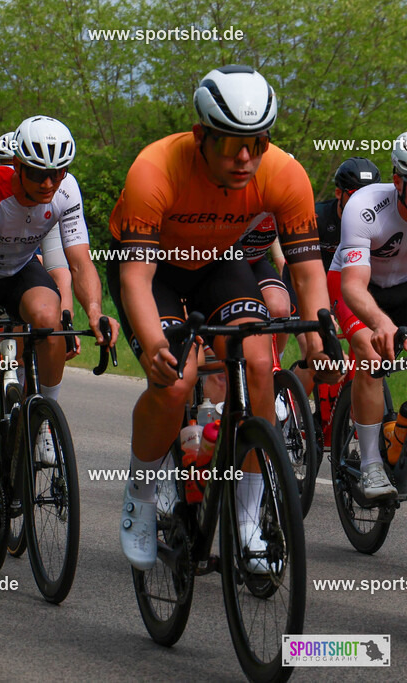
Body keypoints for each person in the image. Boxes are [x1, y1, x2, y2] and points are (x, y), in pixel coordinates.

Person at [106, 65, 336, 573]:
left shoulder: (283, 173)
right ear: (201, 135)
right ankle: (141, 492)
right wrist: (151, 344)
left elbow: (308, 269)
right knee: (175, 379)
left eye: (257, 142)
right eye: (232, 144)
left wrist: (319, 332)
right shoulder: (155, 169)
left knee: (256, 363)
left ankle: (248, 520)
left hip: (217, 260)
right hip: (154, 270)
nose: (246, 158)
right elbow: (137, 281)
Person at [0, 115, 117, 562]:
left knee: (51, 320)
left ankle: (43, 420)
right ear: (18, 165)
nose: (49, 182)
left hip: (20, 273)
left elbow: (79, 263)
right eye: (39, 173)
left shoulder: (65, 190)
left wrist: (95, 313)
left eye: (57, 173)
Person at [327, 133, 407, 498]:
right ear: (397, 181)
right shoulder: (365, 205)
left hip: (402, 286)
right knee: (370, 355)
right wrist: (379, 323)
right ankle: (372, 465)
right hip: (355, 285)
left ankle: (399, 433)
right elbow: (354, 287)